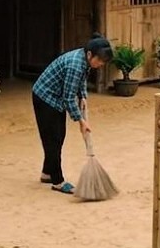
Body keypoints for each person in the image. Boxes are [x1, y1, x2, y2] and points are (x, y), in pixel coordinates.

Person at [31, 34, 114, 194]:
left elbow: (81, 80)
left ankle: (47, 173)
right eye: (100, 61)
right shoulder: (75, 64)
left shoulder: (85, 59)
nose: (101, 64)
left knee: (57, 137)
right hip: (45, 97)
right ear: (90, 54)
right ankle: (58, 181)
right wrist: (81, 121)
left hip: (56, 98)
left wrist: (83, 96)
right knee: (53, 138)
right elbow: (69, 98)